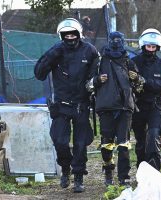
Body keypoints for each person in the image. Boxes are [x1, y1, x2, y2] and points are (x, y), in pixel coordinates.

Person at [34, 18, 100, 193]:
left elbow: (97, 74)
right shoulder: (56, 50)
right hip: (61, 105)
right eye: (66, 34)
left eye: (73, 34)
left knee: (80, 143)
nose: (70, 37)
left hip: (81, 104)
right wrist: (52, 55)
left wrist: (95, 89)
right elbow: (39, 73)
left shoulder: (90, 51)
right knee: (59, 141)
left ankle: (78, 177)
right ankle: (65, 168)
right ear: (61, 36)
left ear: (79, 34)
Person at [86, 31, 144, 186]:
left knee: (124, 143)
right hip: (105, 108)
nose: (116, 43)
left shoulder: (129, 62)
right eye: (114, 40)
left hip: (125, 108)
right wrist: (97, 80)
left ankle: (123, 177)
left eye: (119, 40)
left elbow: (140, 87)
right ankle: (108, 170)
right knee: (107, 144)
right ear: (109, 41)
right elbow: (88, 85)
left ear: (123, 41)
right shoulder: (99, 62)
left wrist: (137, 78)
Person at [131, 28, 161, 171]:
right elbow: (128, 83)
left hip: (155, 105)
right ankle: (142, 171)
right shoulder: (133, 63)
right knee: (141, 142)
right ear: (143, 46)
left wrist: (144, 81)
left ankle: (154, 171)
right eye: (148, 46)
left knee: (154, 136)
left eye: (153, 46)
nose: (150, 49)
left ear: (158, 47)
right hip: (138, 105)